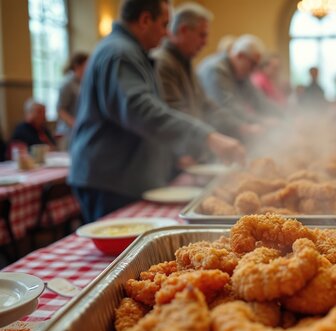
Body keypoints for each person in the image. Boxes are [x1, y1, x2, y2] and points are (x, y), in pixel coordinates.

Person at [69, 0, 245, 223]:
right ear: (144, 20)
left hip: (116, 176)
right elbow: (141, 111)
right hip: (110, 179)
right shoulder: (120, 52)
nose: (166, 33)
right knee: (115, 256)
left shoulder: (128, 51)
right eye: (164, 24)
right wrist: (207, 137)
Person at [151, 3, 248, 142]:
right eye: (202, 35)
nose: (205, 42)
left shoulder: (185, 62)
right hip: (179, 153)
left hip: (193, 145)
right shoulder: (163, 62)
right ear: (184, 30)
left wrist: (240, 127)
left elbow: (207, 106)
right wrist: (211, 140)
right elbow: (173, 114)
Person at [197, 34, 283, 126]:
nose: (254, 70)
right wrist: (262, 121)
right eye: (252, 64)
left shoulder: (241, 74)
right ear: (240, 56)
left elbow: (259, 101)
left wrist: (286, 117)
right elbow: (229, 108)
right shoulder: (215, 70)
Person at [56, 52, 89, 150]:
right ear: (77, 66)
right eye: (87, 64)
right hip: (68, 132)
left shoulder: (84, 82)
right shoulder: (67, 83)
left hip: (81, 130)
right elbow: (60, 109)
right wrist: (75, 124)